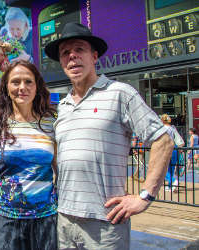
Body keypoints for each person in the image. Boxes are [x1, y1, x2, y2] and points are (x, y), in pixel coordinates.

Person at [44, 22, 174, 249]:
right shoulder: (61, 107)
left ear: (94, 56)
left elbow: (163, 140)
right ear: (62, 62)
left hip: (106, 224)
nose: (72, 56)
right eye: (65, 53)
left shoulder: (121, 94)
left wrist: (145, 196)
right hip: (63, 220)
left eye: (79, 50)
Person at [0, 61, 58, 250]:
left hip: (46, 220)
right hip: (5, 222)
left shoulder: (52, 122)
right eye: (15, 82)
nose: (22, 87)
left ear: (37, 86)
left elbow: (59, 169)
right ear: (6, 87)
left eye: (28, 82)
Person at [161, 114, 183, 192]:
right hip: (174, 148)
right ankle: (170, 185)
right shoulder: (173, 128)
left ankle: (173, 181)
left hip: (166, 148)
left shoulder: (162, 128)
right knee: (171, 168)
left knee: (162, 168)